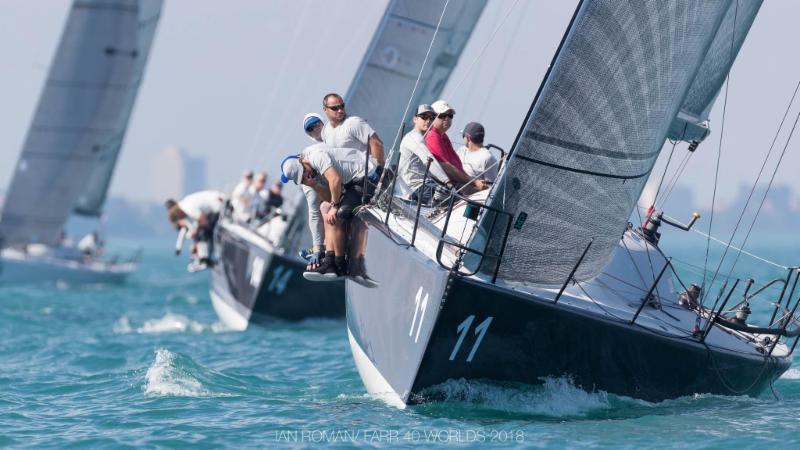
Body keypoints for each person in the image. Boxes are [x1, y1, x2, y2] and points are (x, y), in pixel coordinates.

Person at [280, 143, 377, 280]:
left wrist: (336, 206)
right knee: (324, 208)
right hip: (351, 184)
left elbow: (335, 179)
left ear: (302, 161)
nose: (307, 176)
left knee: (338, 214)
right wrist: (314, 186)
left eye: (304, 172)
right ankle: (330, 262)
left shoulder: (316, 156)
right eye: (302, 178)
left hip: (365, 175)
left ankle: (340, 265)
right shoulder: (309, 179)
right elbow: (323, 204)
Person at [425, 100, 488, 192]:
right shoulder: (432, 136)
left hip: (456, 185)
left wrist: (473, 181)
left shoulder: (443, 136)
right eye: (442, 115)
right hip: (446, 188)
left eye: (450, 116)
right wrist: (474, 182)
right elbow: (446, 168)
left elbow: (455, 165)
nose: (447, 119)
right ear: (432, 117)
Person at [397, 104, 450, 203]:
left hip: (424, 186)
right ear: (415, 119)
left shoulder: (421, 138)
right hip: (417, 189)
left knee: (452, 195)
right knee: (453, 197)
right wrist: (447, 181)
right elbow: (429, 160)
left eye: (432, 117)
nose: (428, 120)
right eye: (424, 117)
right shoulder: (414, 138)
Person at [165, 190, 226, 270]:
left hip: (218, 205)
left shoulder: (187, 208)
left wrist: (197, 232)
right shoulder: (184, 204)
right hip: (216, 202)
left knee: (204, 233)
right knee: (203, 233)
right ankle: (204, 257)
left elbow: (203, 220)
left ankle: (205, 259)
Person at [321, 93, 385, 168]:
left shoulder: (353, 122)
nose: (340, 110)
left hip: (371, 174)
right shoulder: (325, 131)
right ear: (325, 110)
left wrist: (377, 170)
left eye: (342, 106)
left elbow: (377, 143)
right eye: (335, 108)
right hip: (352, 178)